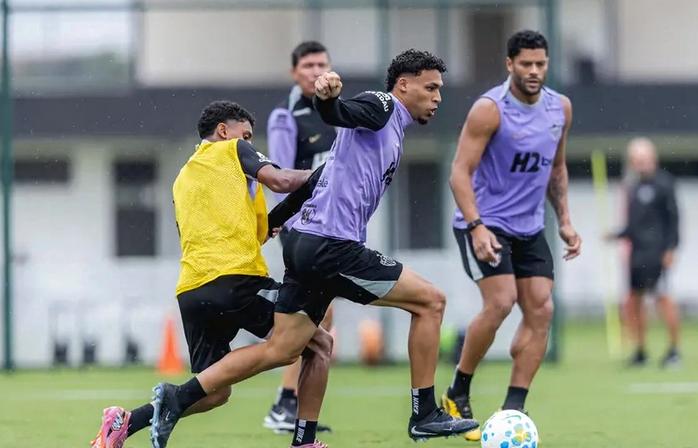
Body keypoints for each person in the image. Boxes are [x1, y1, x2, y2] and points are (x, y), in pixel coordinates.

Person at [145, 49, 479, 446]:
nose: (437, 97)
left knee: (291, 348)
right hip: (330, 245)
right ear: (404, 85)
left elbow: (317, 181)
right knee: (431, 302)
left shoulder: (382, 134)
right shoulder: (384, 105)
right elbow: (339, 113)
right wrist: (328, 98)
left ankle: (182, 399)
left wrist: (273, 221)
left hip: (305, 243)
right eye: (430, 87)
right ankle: (425, 412)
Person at [89, 101, 333, 448]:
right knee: (318, 343)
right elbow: (280, 180)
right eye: (246, 134)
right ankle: (304, 441)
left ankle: (124, 423)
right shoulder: (233, 150)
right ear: (224, 131)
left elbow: (260, 231)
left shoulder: (184, 178)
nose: (251, 143)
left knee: (215, 391)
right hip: (236, 280)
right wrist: (328, 172)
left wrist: (303, 195)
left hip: (192, 290)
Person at [442, 30, 582, 441]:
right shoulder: (490, 110)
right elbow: (459, 173)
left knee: (542, 311)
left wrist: (567, 221)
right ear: (510, 65)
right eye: (526, 64)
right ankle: (458, 391)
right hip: (484, 222)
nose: (534, 71)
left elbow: (556, 169)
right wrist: (477, 226)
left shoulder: (561, 108)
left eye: (541, 64)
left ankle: (512, 410)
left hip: (530, 227)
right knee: (501, 302)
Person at [264, 40, 336, 435]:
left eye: (322, 63)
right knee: (312, 316)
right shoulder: (286, 116)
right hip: (302, 228)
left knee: (320, 315)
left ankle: (286, 403)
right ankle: (286, 403)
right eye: (308, 64)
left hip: (333, 228)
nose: (315, 70)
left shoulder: (337, 112)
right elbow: (279, 176)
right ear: (295, 72)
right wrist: (289, 224)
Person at [607, 137, 681, 368]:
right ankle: (640, 351)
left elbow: (674, 219)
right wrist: (617, 235)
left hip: (657, 254)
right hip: (636, 255)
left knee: (663, 299)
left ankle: (674, 350)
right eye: (635, 160)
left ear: (653, 159)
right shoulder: (632, 186)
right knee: (634, 302)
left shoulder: (664, 183)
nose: (640, 164)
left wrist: (671, 249)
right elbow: (634, 225)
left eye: (644, 159)